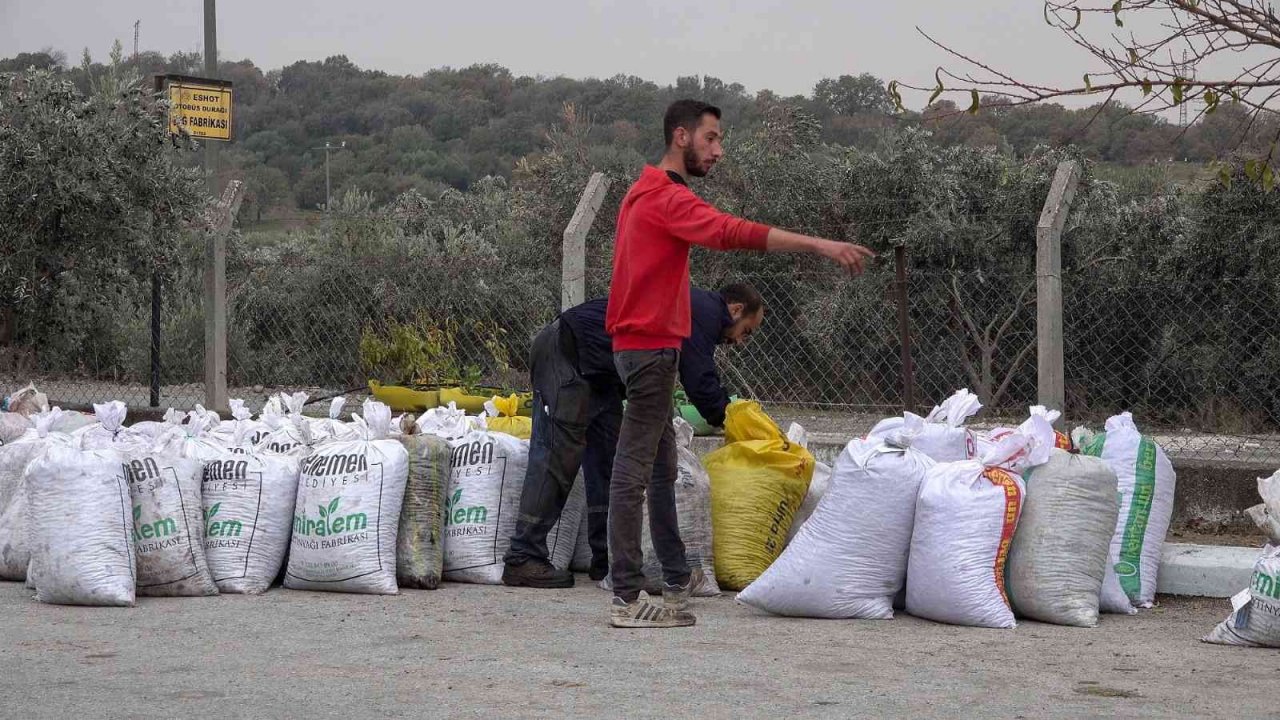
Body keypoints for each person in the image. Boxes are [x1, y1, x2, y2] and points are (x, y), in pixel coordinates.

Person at [605, 99, 873, 628]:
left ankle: (677, 578)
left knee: (659, 468)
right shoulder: (665, 196)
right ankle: (627, 596)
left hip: (638, 346)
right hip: (652, 348)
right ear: (681, 137)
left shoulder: (639, 193)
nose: (719, 150)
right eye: (711, 138)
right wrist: (818, 244)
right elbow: (732, 232)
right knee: (633, 470)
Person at [501, 283, 766, 589]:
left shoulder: (695, 307)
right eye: (747, 331)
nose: (742, 341)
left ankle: (604, 559)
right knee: (557, 455)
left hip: (599, 372)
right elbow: (699, 379)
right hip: (566, 353)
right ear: (735, 310)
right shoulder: (704, 311)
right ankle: (522, 557)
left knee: (609, 459)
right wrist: (728, 419)